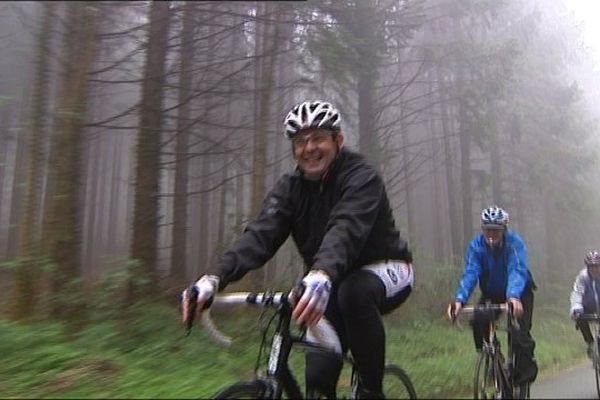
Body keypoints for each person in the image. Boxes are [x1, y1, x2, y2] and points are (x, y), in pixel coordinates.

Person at [181, 100, 414, 399]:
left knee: (354, 293)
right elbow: (260, 236)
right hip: (328, 280)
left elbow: (346, 228)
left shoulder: (361, 176)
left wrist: (321, 272)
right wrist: (213, 278)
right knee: (317, 381)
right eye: (301, 141)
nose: (309, 148)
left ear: (338, 141)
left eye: (318, 138)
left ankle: (372, 390)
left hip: (387, 268)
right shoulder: (289, 188)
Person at [446, 205, 538, 389]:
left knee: (519, 335)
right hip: (492, 292)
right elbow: (471, 273)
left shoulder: (515, 244)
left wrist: (513, 297)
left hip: (520, 292)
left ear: (504, 229)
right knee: (479, 320)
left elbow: (517, 271)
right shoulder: (477, 247)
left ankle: (522, 377)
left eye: (495, 231)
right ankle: (493, 358)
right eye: (487, 230)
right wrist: (459, 300)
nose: (491, 235)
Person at [569, 250, 600, 358]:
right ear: (587, 267)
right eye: (591, 266)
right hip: (587, 307)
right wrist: (576, 307)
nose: (594, 269)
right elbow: (577, 292)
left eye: (596, 266)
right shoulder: (583, 277)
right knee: (580, 318)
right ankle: (590, 343)